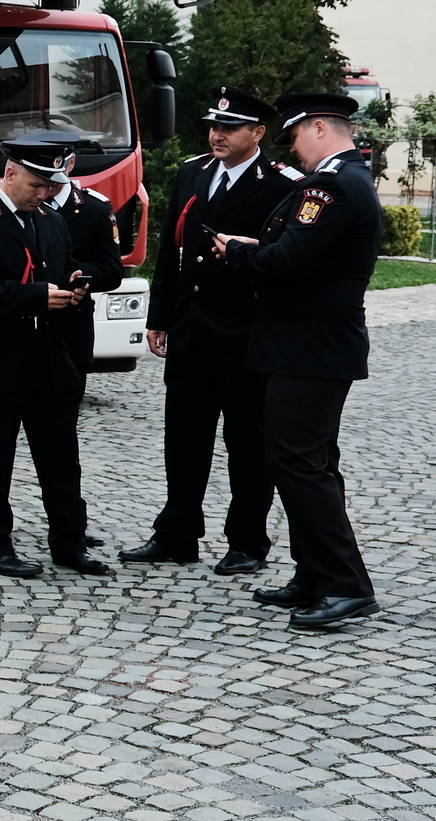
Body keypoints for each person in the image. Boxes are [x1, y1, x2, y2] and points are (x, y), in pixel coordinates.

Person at [214, 93, 383, 630]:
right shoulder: (347, 180)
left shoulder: (330, 186)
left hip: (308, 349)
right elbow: (299, 249)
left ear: (316, 129)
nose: (293, 148)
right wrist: (259, 245)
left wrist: (239, 252)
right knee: (309, 462)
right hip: (312, 345)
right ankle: (313, 575)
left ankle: (346, 585)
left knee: (299, 464)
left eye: (293, 136)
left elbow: (289, 261)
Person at [121, 87, 301, 573]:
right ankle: (177, 532)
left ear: (258, 133)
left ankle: (247, 541)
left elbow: (287, 260)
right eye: (214, 125)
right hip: (192, 330)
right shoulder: (192, 172)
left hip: (246, 333)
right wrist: (159, 317)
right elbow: (171, 252)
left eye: (230, 127)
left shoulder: (284, 184)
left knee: (248, 443)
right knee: (184, 438)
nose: (217, 134)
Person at [0, 134, 111, 578]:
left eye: (51, 185)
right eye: (37, 184)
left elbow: (58, 268)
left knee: (61, 457)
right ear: (11, 171)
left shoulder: (50, 221)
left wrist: (73, 284)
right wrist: (37, 296)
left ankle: (70, 542)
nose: (45, 194)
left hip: (49, 356)